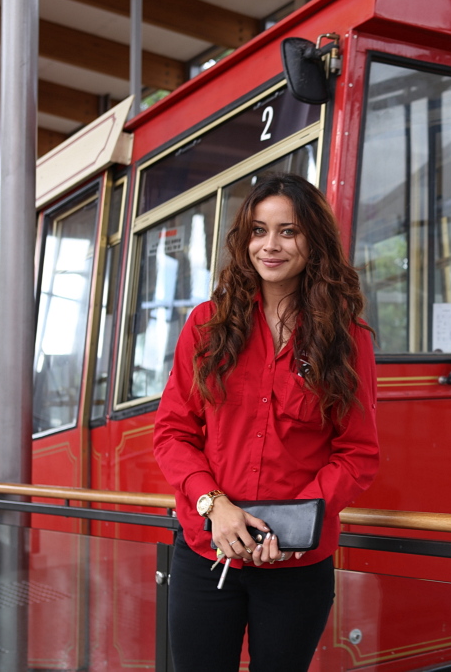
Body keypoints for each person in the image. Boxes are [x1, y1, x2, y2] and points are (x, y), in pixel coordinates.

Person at [153, 173, 379, 672]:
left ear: (312, 241)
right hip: (207, 554)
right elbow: (173, 433)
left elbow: (358, 453)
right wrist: (216, 507)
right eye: (258, 230)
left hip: (297, 566)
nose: (270, 245)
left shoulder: (348, 338)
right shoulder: (206, 325)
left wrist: (289, 525)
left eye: (288, 231)